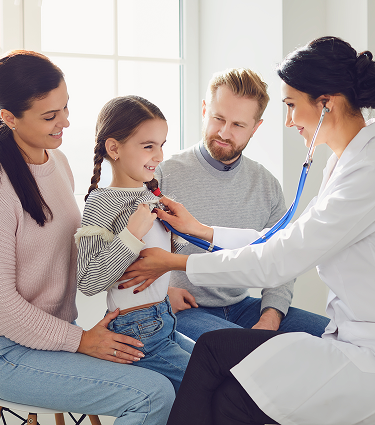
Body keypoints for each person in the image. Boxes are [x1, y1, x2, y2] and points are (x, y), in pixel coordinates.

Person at [123, 36, 375, 425]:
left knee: (228, 376)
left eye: (292, 105)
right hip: (347, 333)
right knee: (226, 382)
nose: (289, 120)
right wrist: (202, 232)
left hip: (362, 346)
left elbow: (282, 256)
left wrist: (176, 262)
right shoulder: (346, 163)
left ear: (326, 104)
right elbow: (280, 242)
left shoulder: (364, 171)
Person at [0, 50, 176, 425]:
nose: (65, 121)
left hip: (54, 337)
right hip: (9, 350)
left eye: (65, 107)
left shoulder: (57, 162)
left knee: (204, 373)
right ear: (8, 117)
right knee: (154, 395)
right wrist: (79, 341)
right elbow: (3, 308)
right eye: (50, 116)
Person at [154, 67, 329, 339]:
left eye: (237, 125)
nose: (224, 132)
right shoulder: (162, 175)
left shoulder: (266, 185)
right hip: (186, 308)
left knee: (331, 336)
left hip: (243, 307)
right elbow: (130, 251)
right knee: (241, 349)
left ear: (255, 128)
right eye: (218, 118)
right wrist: (163, 292)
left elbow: (281, 258)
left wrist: (271, 314)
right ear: (204, 111)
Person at [75, 95, 193, 393]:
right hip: (136, 329)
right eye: (148, 146)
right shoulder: (100, 203)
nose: (160, 155)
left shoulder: (151, 197)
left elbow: (152, 262)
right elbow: (89, 281)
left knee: (223, 371)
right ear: (114, 148)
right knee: (214, 386)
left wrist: (177, 233)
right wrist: (130, 235)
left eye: (162, 144)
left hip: (164, 318)